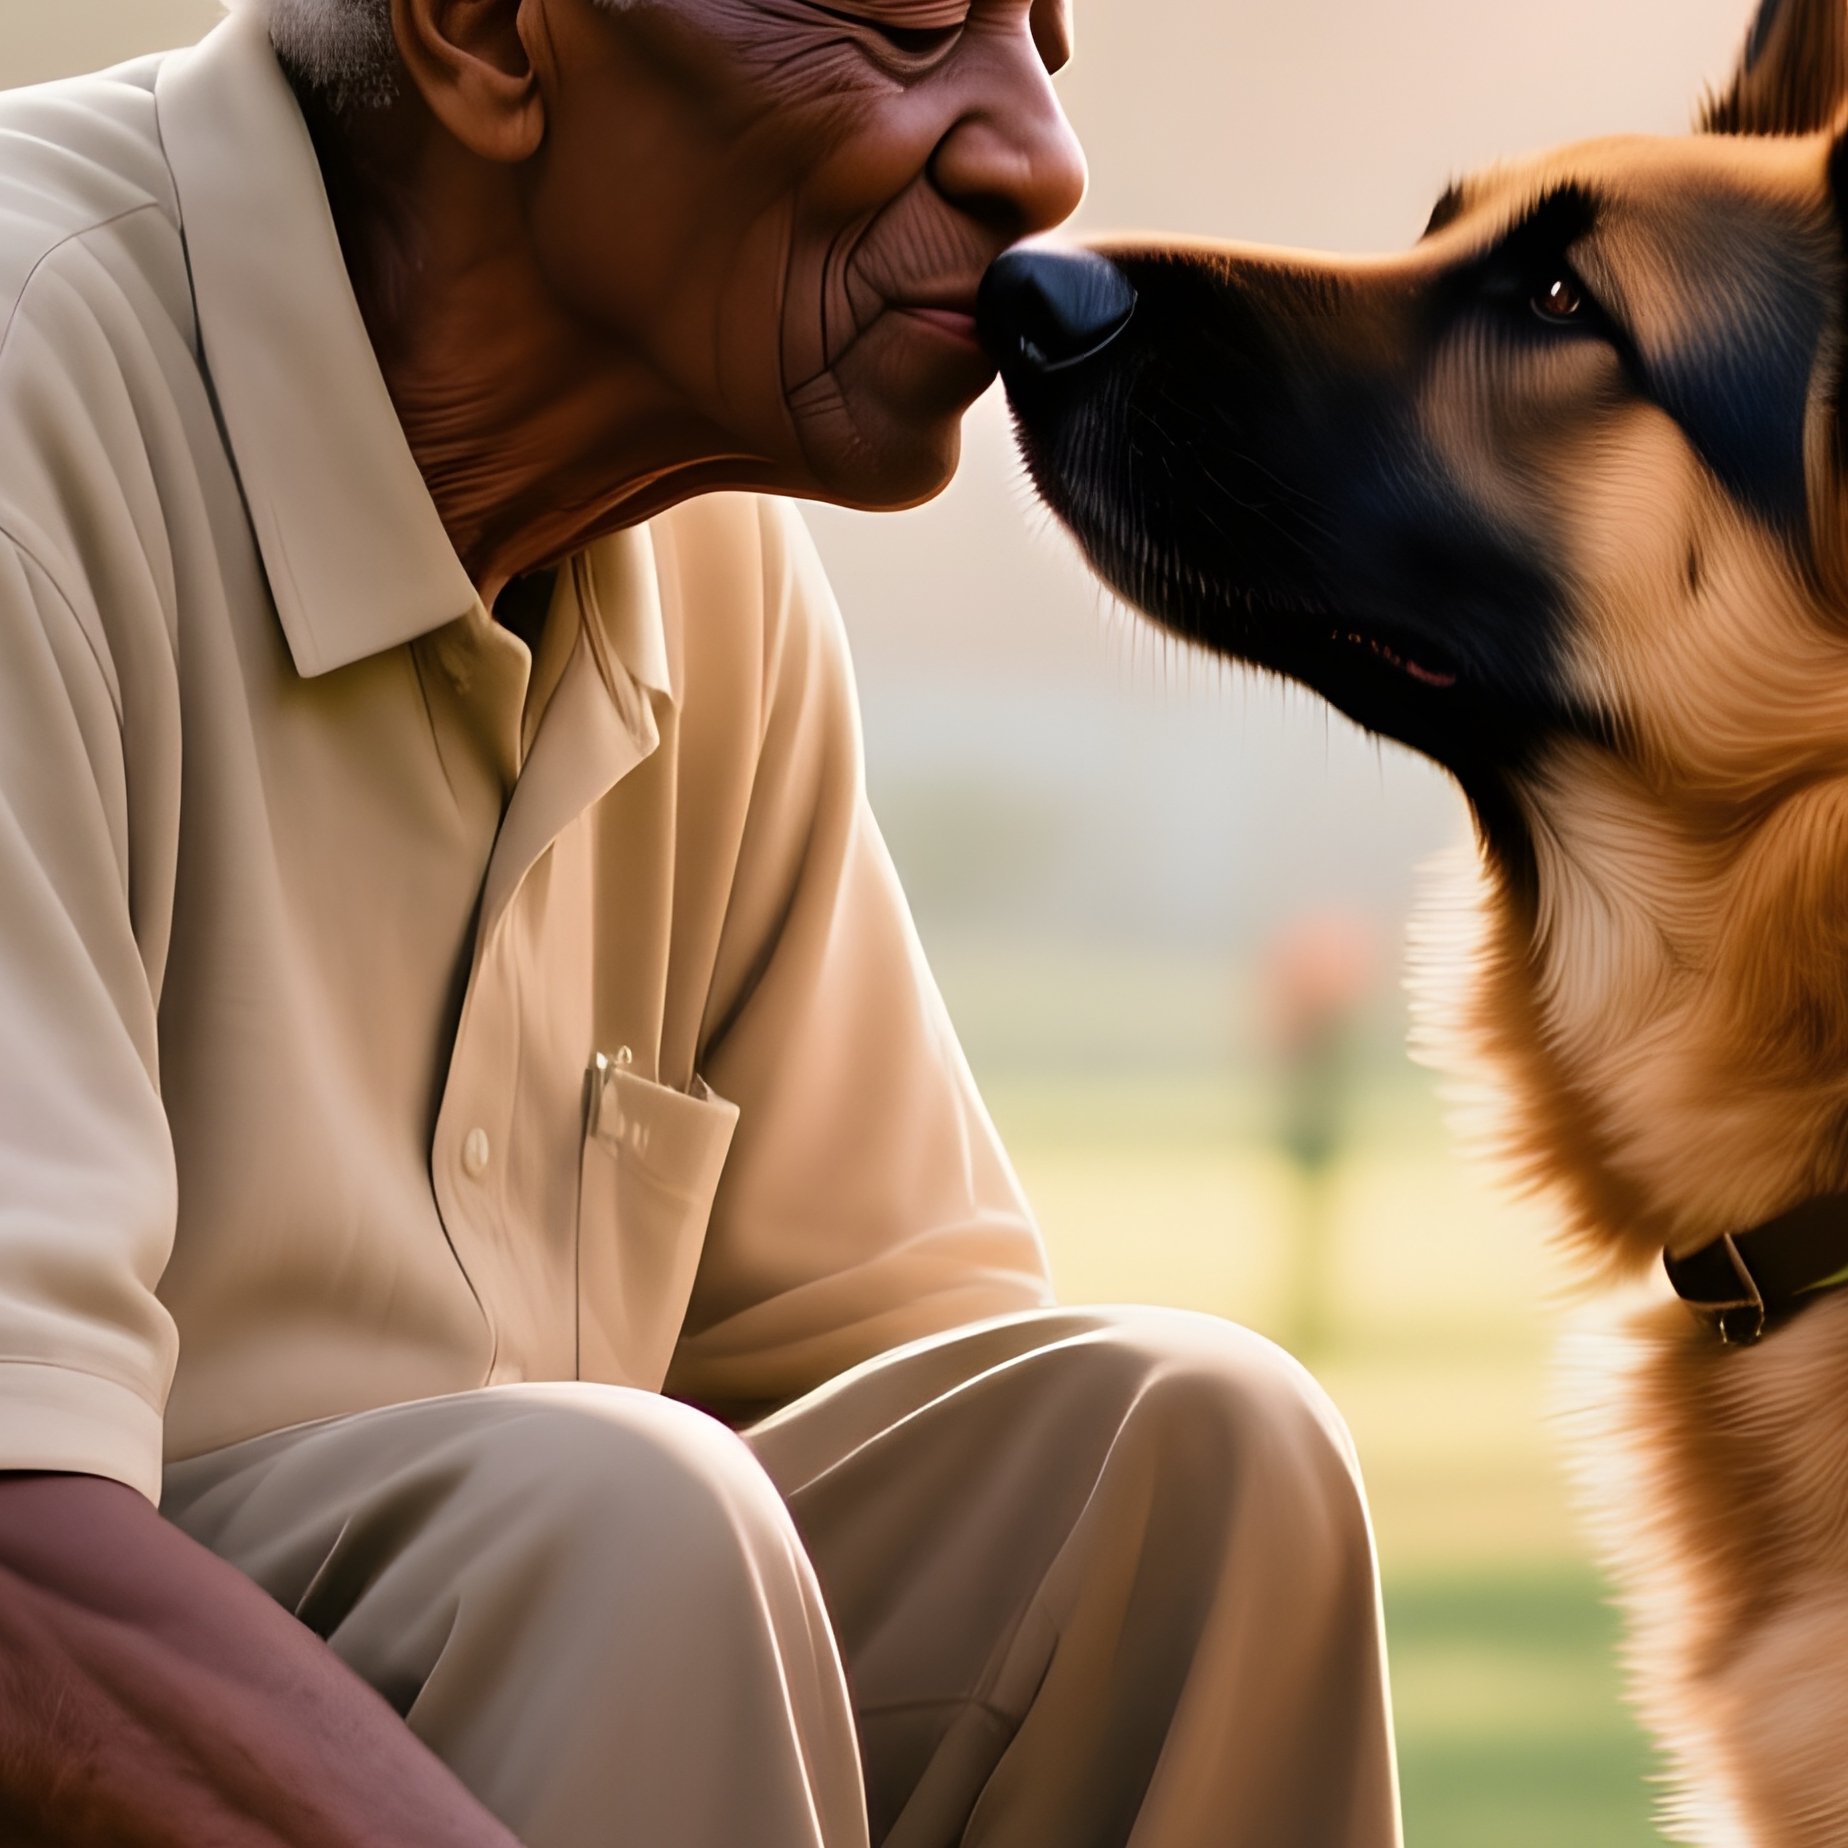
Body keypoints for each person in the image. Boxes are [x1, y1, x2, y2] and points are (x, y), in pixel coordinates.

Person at [0, 0, 1402, 1842]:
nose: (1041, 155)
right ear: (489, 36)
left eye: (1044, 25)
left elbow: (918, 1419)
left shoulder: (706, 562)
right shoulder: (34, 400)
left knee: (1193, 1463)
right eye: (909, 21)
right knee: (618, 1525)